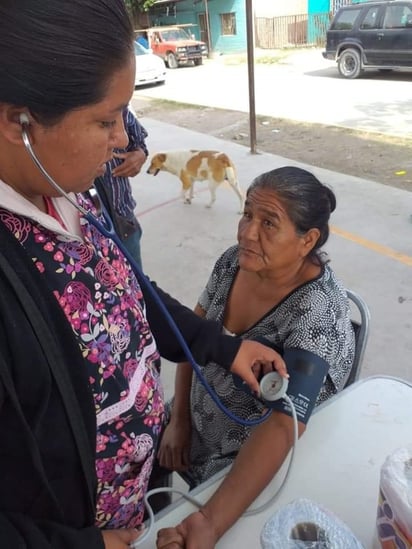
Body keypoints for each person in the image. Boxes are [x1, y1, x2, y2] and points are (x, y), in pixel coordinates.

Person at [0, 2, 287, 548]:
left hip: (138, 493)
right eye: (106, 121)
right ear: (20, 122)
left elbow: (124, 292)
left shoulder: (66, 194)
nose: (121, 143)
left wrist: (221, 347)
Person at [156, 166, 355, 548]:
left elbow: (284, 426)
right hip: (192, 413)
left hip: (247, 452)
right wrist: (178, 419)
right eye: (247, 214)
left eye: (269, 223)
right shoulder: (234, 261)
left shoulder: (315, 313)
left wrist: (211, 523)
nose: (247, 232)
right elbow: (191, 338)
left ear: (307, 240)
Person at [94, 106, 147, 269]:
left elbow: (138, 141)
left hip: (123, 218)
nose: (122, 140)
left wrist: (139, 154)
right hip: (88, 230)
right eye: (105, 123)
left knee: (136, 281)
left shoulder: (119, 108)